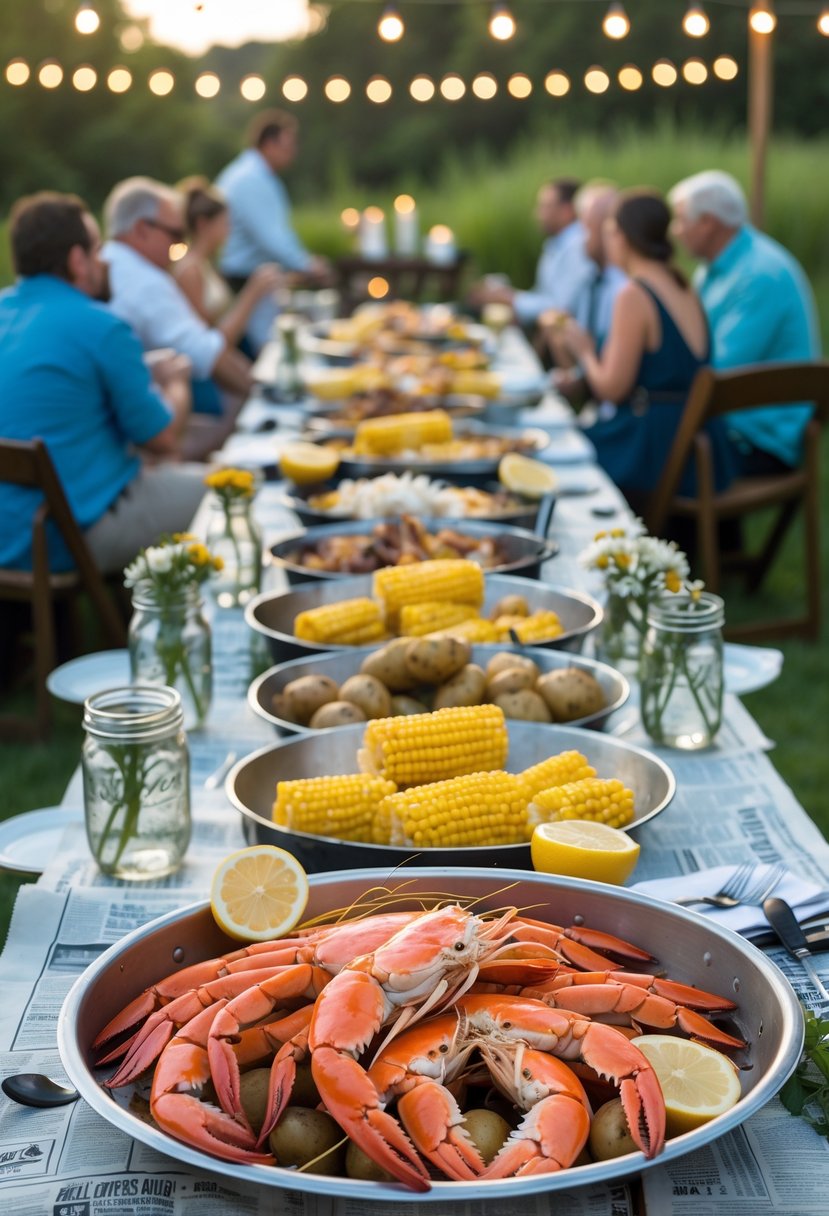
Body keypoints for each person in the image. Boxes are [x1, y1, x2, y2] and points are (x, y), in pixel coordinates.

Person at [0, 191, 206, 575]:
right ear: (77, 260)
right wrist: (176, 383)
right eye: (97, 251)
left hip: (7, 534)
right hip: (65, 538)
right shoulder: (101, 324)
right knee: (231, 489)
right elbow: (162, 440)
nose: (104, 262)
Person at [555, 189, 735, 509]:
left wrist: (584, 351)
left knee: (563, 452)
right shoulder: (684, 285)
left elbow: (612, 388)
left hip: (656, 450)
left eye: (609, 232)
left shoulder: (633, 295)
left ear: (622, 236)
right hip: (700, 443)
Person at [669, 170, 821, 474]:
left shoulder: (759, 275)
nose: (675, 230)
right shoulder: (716, 267)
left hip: (760, 438)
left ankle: (684, 522)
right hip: (732, 422)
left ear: (708, 223)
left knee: (654, 454)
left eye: (681, 219)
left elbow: (719, 370)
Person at [102, 176, 255, 415]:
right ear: (142, 229)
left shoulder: (109, 262)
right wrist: (261, 393)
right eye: (175, 234)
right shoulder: (145, 280)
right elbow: (206, 352)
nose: (180, 245)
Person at [216, 109, 332, 351]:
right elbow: (271, 236)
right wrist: (308, 264)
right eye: (288, 145)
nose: (293, 153)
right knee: (262, 349)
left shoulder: (254, 175)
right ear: (269, 143)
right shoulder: (249, 178)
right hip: (245, 280)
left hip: (255, 278)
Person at [174, 178, 283, 353]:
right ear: (203, 224)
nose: (229, 229)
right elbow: (207, 343)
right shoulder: (190, 271)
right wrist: (252, 293)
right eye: (224, 223)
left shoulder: (207, 264)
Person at [469, 177, 595, 328]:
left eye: (546, 207)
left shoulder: (578, 246)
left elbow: (562, 308)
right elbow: (543, 295)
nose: (538, 214)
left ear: (567, 211)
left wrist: (510, 299)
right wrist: (507, 297)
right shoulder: (556, 243)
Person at [542, 183, 627, 397]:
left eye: (586, 228)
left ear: (610, 230)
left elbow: (615, 386)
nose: (580, 240)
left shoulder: (623, 289)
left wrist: (584, 352)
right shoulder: (592, 280)